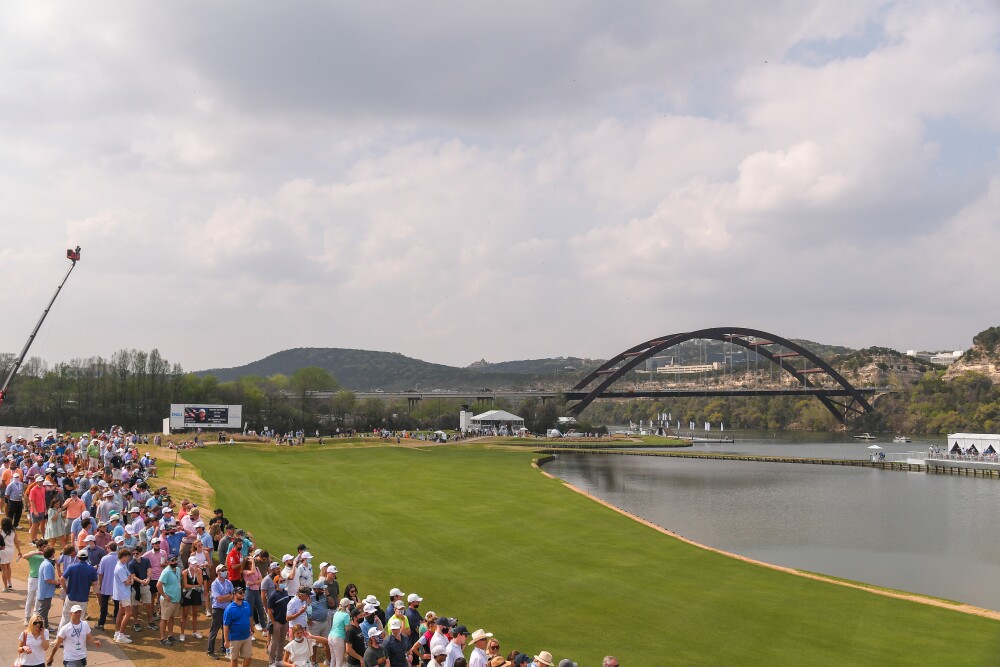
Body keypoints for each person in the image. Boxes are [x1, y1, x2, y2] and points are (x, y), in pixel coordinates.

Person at [59, 548, 98, 631]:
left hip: (71, 596)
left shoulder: (71, 567)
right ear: (87, 557)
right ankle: (76, 637)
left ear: (78, 557)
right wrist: (88, 583)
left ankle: (60, 638)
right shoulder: (91, 569)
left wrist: (65, 589)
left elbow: (62, 578)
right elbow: (95, 583)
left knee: (65, 617)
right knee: (79, 619)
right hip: (83, 598)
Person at [208, 564, 235, 658]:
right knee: (214, 630)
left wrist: (227, 597)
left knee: (226, 630)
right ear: (218, 572)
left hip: (227, 610)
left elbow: (234, 596)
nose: (225, 571)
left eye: (225, 569)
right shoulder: (214, 584)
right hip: (218, 610)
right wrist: (229, 596)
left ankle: (224, 649)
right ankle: (210, 651)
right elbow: (219, 599)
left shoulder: (228, 582)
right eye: (223, 570)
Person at [223, 586, 254, 667]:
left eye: (243, 592)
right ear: (234, 595)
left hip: (246, 636)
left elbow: (250, 617)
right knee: (234, 659)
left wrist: (252, 628)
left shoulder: (247, 604)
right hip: (234, 638)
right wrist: (226, 641)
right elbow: (226, 626)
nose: (243, 594)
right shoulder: (229, 609)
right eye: (240, 593)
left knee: (248, 657)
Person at [267, 574, 292, 666]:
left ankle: (278, 659)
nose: (283, 583)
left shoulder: (285, 593)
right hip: (277, 622)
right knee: (274, 642)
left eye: (283, 581)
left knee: (282, 642)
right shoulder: (273, 595)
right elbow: (269, 610)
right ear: (276, 583)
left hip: (285, 621)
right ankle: (271, 661)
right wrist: (274, 623)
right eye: (281, 581)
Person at [157, 554, 182, 646]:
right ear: (168, 562)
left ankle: (170, 636)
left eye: (175, 560)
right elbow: (158, 585)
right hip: (167, 601)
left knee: (172, 618)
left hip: (175, 600)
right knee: (164, 619)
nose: (174, 562)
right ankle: (162, 639)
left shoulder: (178, 570)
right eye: (172, 560)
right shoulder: (166, 572)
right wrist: (164, 595)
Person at [112, 547, 135, 643]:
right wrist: (131, 581)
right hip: (123, 594)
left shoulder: (123, 565)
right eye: (128, 557)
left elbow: (130, 575)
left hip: (123, 593)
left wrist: (130, 579)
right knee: (128, 613)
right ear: (124, 556)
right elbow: (127, 582)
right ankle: (120, 635)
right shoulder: (120, 568)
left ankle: (117, 633)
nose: (129, 559)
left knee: (121, 612)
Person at [180, 554, 205, 641]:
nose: (194, 565)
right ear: (189, 563)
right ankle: (182, 633)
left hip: (196, 595)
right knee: (185, 614)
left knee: (195, 614)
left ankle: (195, 631)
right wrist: (196, 586)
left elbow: (200, 582)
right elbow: (186, 585)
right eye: (192, 564)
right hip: (187, 595)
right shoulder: (184, 572)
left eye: (195, 563)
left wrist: (198, 573)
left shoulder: (199, 571)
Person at [35, 545, 58, 630]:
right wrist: (57, 582)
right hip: (45, 593)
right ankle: (36, 628)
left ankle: (46, 626)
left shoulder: (45, 563)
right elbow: (48, 579)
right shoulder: (47, 565)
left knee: (45, 611)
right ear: (52, 554)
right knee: (42, 613)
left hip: (45, 592)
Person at [0, 515, 23, 590]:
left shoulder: (0, 531)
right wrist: (19, 551)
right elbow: (16, 542)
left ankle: (5, 587)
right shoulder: (13, 531)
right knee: (8, 567)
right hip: (11, 551)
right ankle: (10, 583)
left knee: (3, 569)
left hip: (2, 551)